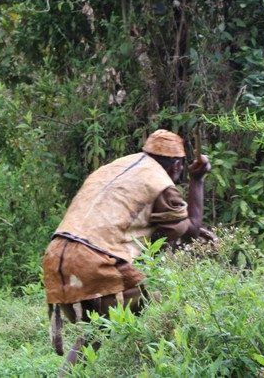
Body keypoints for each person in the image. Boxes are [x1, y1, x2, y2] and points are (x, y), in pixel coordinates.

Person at [42, 129, 214, 370]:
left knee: (99, 328)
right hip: (94, 262)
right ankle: (152, 368)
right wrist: (197, 180)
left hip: (57, 257)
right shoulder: (162, 184)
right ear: (177, 165)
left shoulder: (116, 167)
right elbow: (193, 229)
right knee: (160, 303)